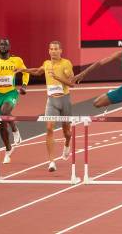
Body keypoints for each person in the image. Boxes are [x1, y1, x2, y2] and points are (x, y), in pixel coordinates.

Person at [18, 41, 75, 172]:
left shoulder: (66, 63)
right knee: (49, 128)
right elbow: (38, 71)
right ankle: (51, 162)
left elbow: (72, 83)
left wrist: (59, 77)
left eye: (56, 49)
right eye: (51, 49)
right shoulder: (46, 63)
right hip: (51, 101)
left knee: (67, 132)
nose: (54, 51)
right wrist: (23, 70)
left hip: (65, 100)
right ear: (49, 51)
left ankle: (67, 143)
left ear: (61, 51)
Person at [0, 38, 28, 164]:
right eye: (1, 44)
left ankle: (15, 129)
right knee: (1, 124)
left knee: (5, 111)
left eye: (5, 44)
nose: (2, 46)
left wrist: (24, 85)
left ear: (9, 46)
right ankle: (8, 150)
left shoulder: (16, 60)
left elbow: (26, 72)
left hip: (11, 92)